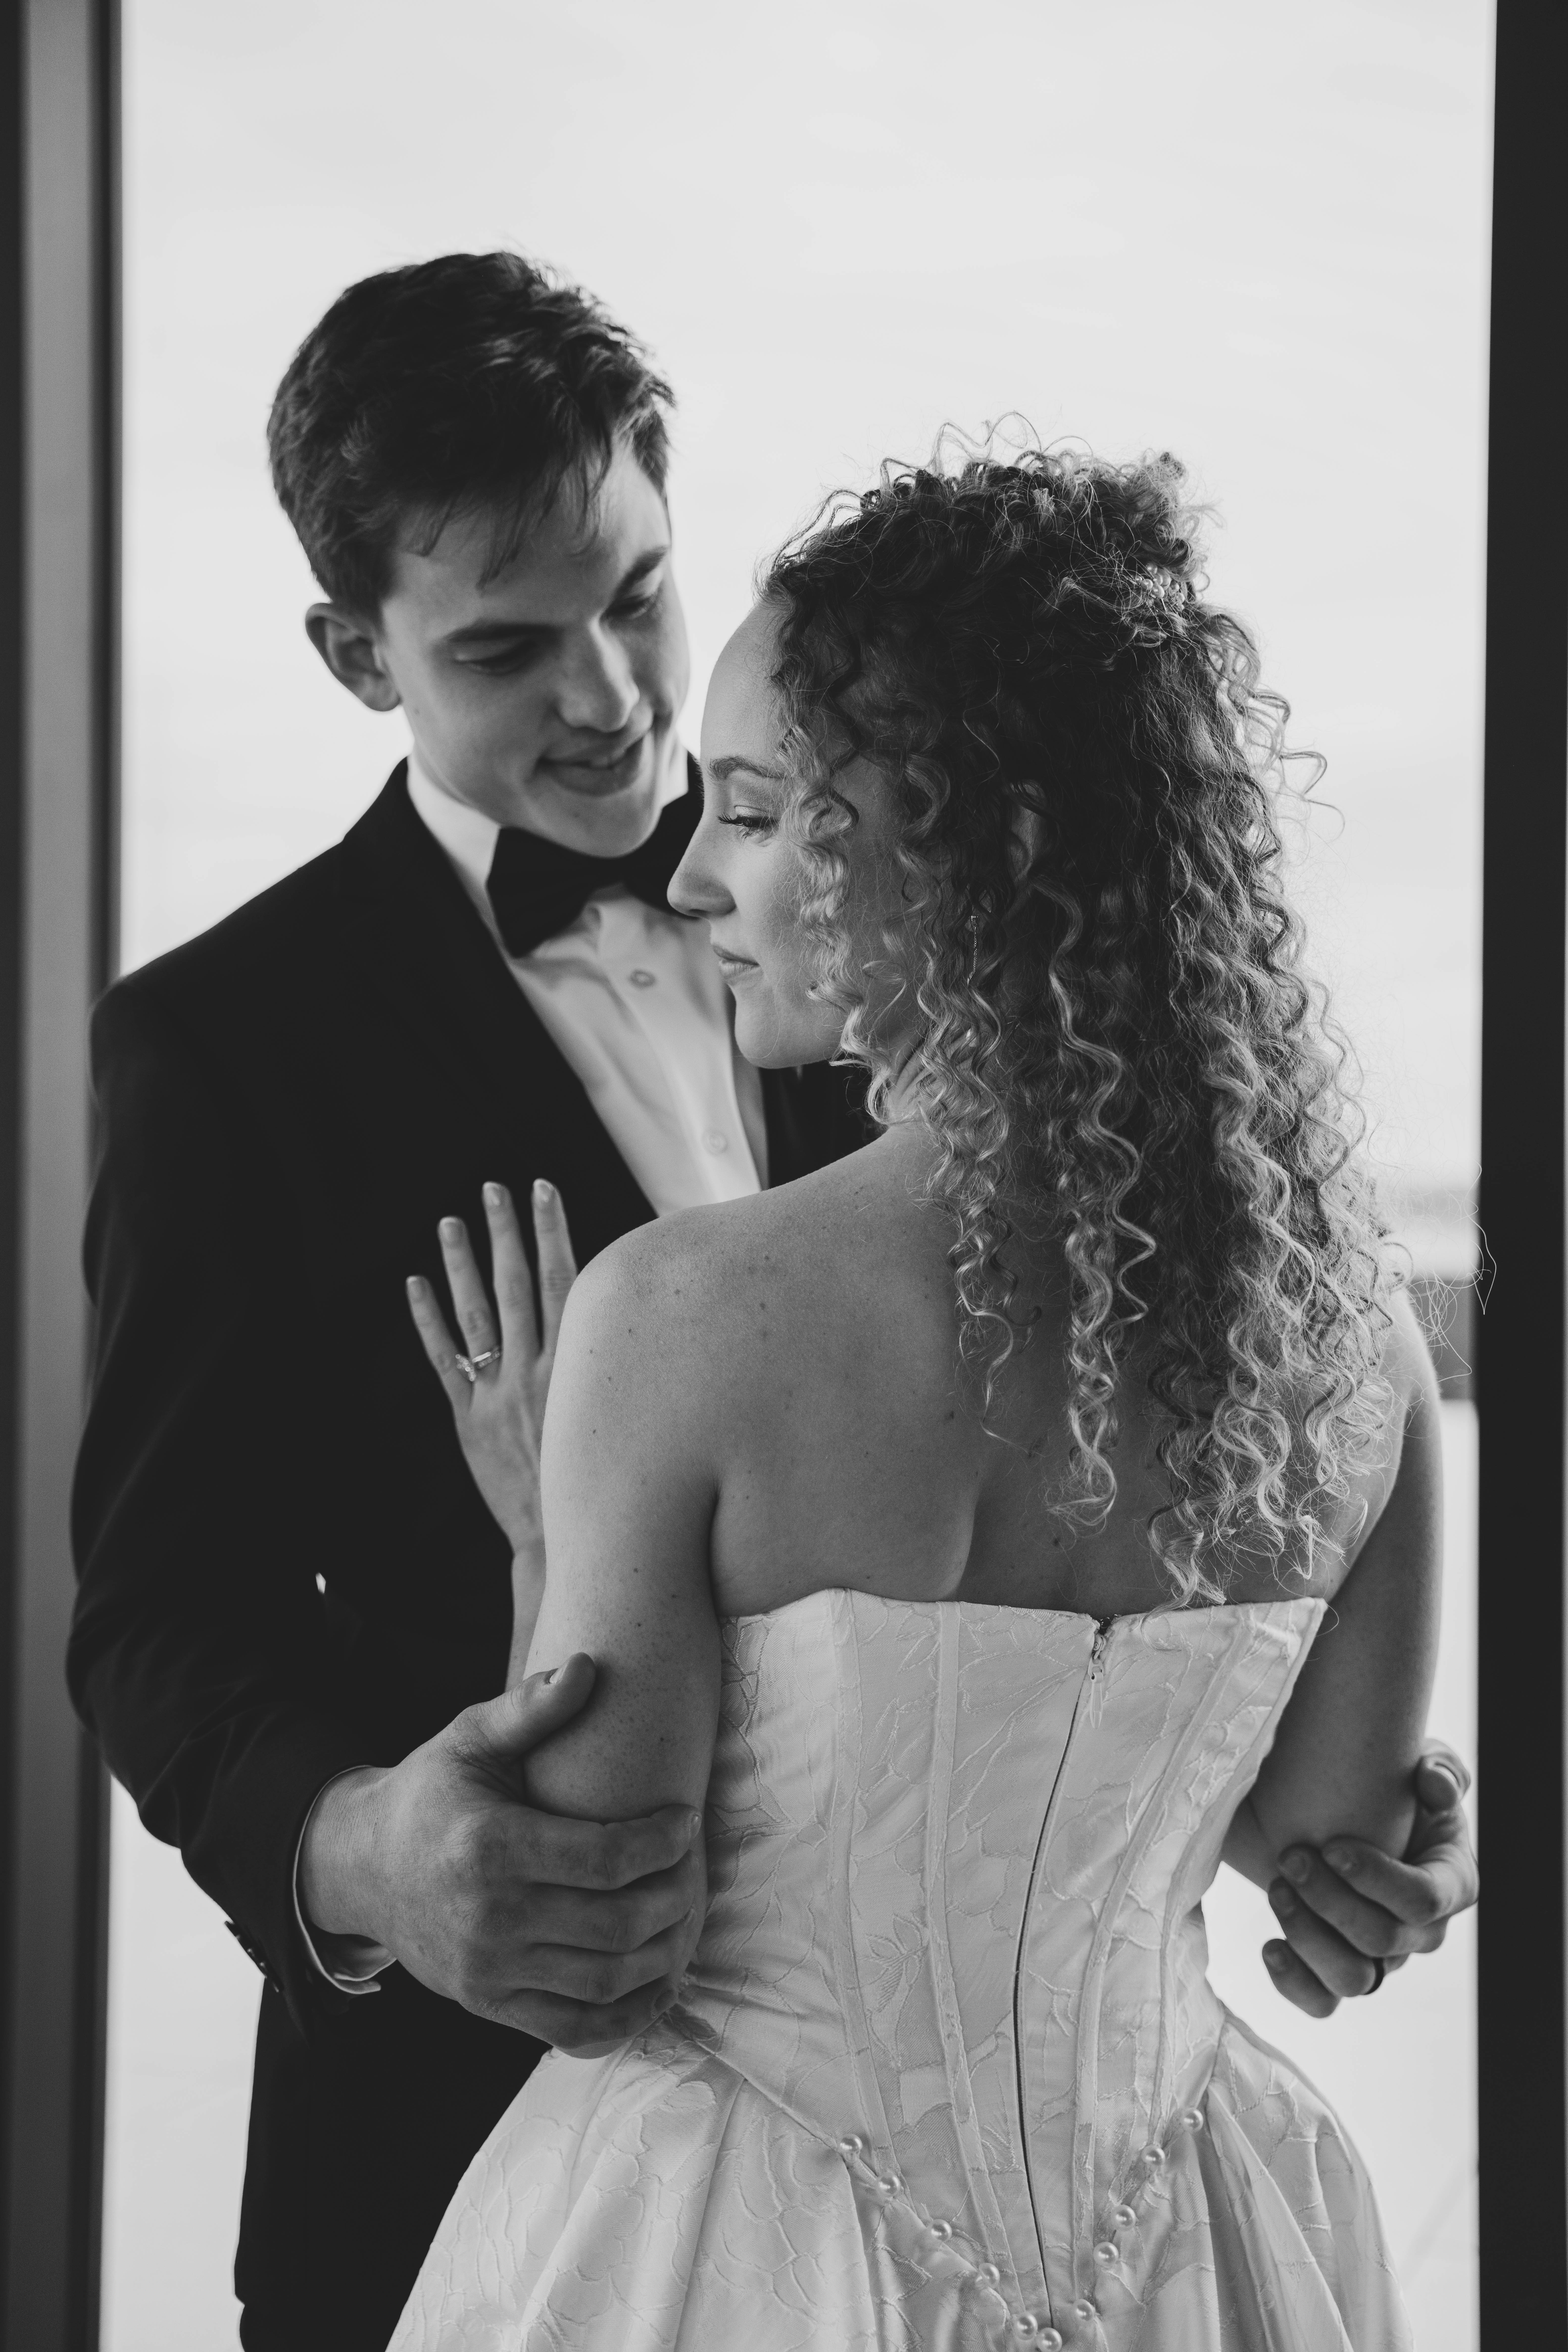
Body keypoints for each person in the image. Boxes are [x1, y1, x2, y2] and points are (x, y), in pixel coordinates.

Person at [390, 444, 1470, 2349]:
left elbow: (596, 1956)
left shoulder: (677, 1326)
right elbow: (1335, 1860)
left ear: (984, 846)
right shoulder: (1358, 1350)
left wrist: (548, 1524)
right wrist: (1416, 1844)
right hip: (1198, 2241)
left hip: (718, 2253)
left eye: (754, 810)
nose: (693, 874)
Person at [66, 253, 871, 2351]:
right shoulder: (220, 1052)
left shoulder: (877, 917)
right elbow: (160, 1621)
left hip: (881, 2132)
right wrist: (368, 1857)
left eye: (641, 597)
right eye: (507, 649)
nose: (609, 697)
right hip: (449, 2158)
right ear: (358, 652)